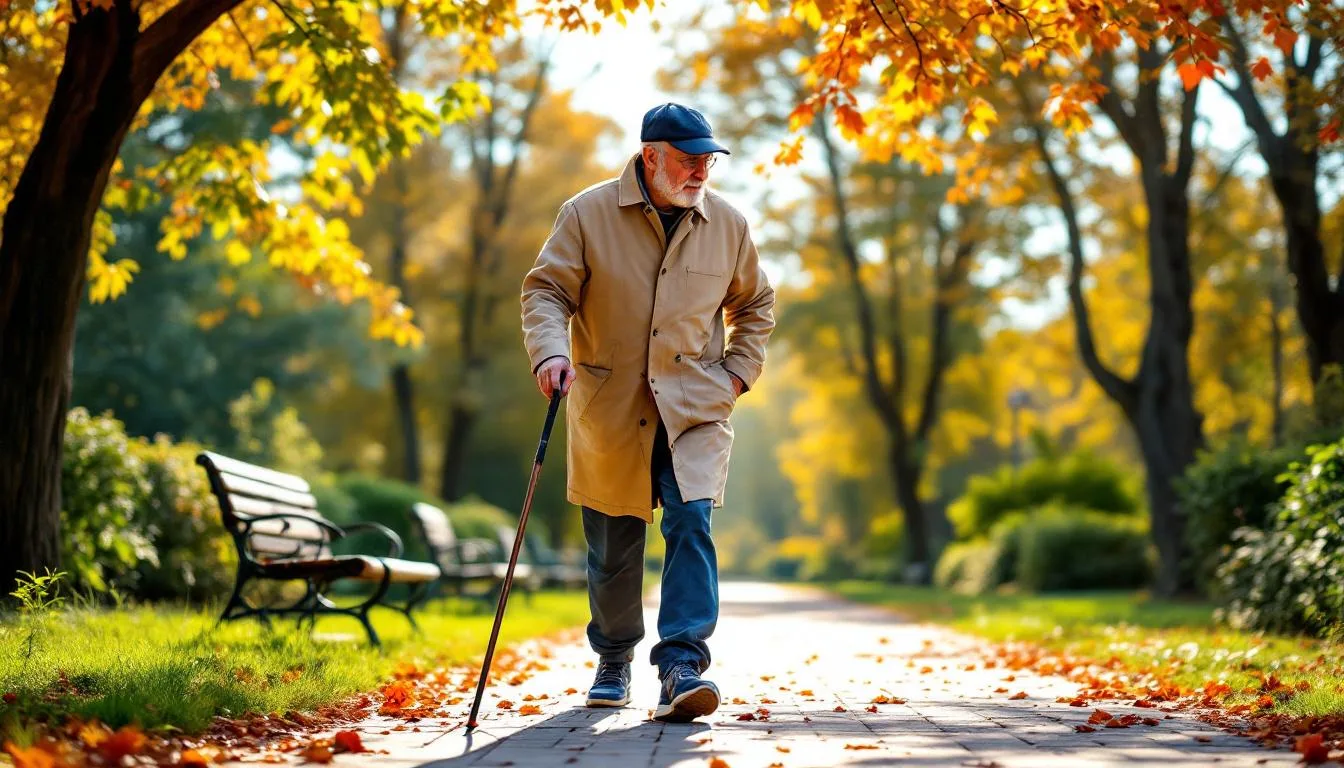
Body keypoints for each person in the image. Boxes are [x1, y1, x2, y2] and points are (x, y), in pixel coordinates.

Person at [519, 103, 776, 722]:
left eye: (707, 160)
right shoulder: (586, 214)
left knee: (692, 523)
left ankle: (682, 664)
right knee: (614, 543)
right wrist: (551, 354)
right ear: (651, 155)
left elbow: (756, 304)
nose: (700, 172)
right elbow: (547, 290)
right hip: (611, 405)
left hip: (695, 405)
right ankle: (613, 658)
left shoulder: (729, 224)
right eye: (688, 159)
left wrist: (737, 373)